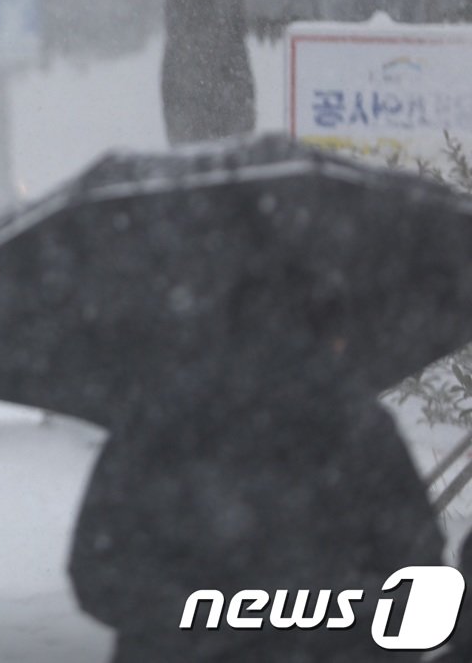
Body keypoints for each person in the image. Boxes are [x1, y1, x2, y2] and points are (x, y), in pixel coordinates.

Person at [67, 277, 444, 662]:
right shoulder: (358, 429)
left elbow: (99, 577)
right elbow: (421, 583)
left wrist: (207, 621)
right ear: (328, 339)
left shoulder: (158, 425)